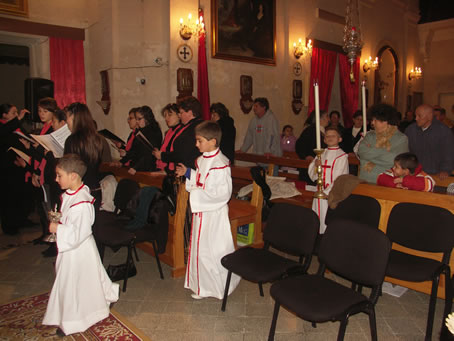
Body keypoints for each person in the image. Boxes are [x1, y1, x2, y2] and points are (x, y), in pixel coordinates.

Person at [42, 154, 119, 336]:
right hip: (75, 249)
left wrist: (57, 228)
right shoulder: (72, 193)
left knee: (74, 284)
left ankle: (73, 320)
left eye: (59, 175)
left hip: (78, 249)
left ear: (73, 176)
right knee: (85, 281)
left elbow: (79, 233)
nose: (56, 179)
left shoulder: (82, 203)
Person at [175, 121, 240, 299]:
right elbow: (202, 179)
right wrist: (189, 173)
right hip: (203, 213)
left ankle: (218, 287)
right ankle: (203, 286)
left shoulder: (220, 164)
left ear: (212, 141)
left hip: (214, 214)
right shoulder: (203, 160)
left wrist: (196, 195)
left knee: (213, 250)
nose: (196, 144)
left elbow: (221, 193)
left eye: (199, 141)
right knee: (201, 249)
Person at [308, 127, 349, 234]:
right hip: (319, 191)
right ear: (324, 140)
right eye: (327, 136)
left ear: (340, 139)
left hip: (332, 193)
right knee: (317, 215)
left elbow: (340, 176)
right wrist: (316, 167)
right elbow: (312, 174)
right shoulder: (320, 153)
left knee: (328, 218)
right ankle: (315, 235)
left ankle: (328, 237)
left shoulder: (342, 156)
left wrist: (327, 192)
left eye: (333, 136)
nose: (330, 138)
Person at [357, 103, 409, 184]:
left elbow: (394, 161)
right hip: (364, 180)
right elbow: (361, 153)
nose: (372, 123)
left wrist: (369, 155)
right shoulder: (370, 135)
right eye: (372, 120)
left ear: (385, 121)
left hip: (386, 183)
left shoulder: (401, 139)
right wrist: (385, 152)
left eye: (375, 120)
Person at [405, 104, 454, 180]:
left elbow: (448, 153)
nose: (416, 118)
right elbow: (407, 151)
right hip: (415, 173)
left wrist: (445, 170)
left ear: (429, 116)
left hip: (435, 173)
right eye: (415, 115)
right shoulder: (410, 130)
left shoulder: (443, 131)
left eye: (419, 116)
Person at [153, 96, 202, 170]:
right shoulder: (191, 126)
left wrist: (162, 156)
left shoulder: (193, 128)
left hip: (190, 170)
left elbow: (182, 153)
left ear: (189, 113)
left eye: (181, 112)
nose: (180, 115)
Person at [124, 105, 162, 175]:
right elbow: (134, 151)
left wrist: (136, 167)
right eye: (136, 119)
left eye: (139, 119)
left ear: (147, 118)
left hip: (146, 169)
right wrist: (122, 161)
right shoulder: (140, 131)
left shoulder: (153, 131)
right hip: (137, 167)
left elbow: (149, 154)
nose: (137, 122)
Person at [295, 110, 329, 184]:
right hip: (310, 164)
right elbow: (299, 145)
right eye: (326, 117)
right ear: (320, 119)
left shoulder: (324, 131)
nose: (328, 119)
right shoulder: (310, 130)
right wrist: (306, 156)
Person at [155, 103, 182, 173]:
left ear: (179, 115)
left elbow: (177, 154)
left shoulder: (181, 132)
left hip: (174, 170)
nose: (166, 118)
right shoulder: (168, 132)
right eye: (165, 116)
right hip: (165, 169)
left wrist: (161, 155)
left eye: (170, 115)